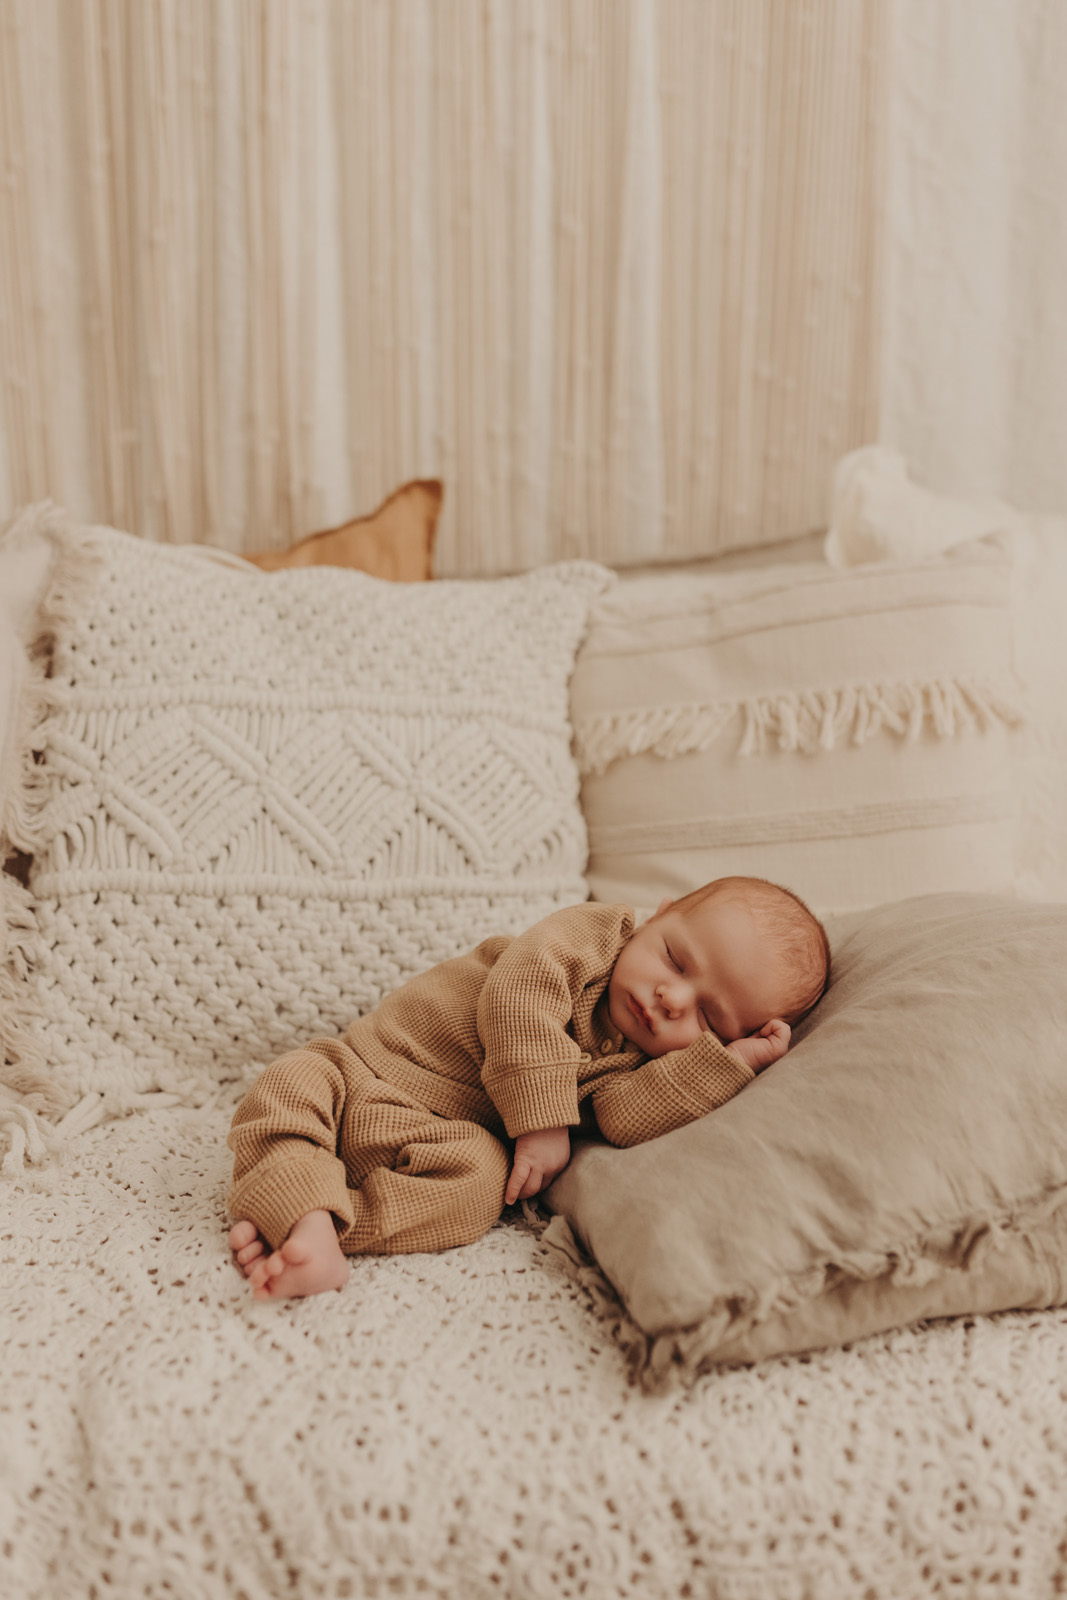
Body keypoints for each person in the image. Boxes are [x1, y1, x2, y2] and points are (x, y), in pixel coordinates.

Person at [227, 875, 830, 1299]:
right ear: (658, 915)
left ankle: (322, 1226)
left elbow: (622, 1120)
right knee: (288, 1087)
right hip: (362, 1065)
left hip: (433, 1133)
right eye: (674, 959)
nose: (671, 998)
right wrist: (544, 1121)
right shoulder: (593, 937)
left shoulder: (649, 1065)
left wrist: (727, 1064)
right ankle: (299, 1197)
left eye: (709, 1018)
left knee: (480, 1185)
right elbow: (517, 996)